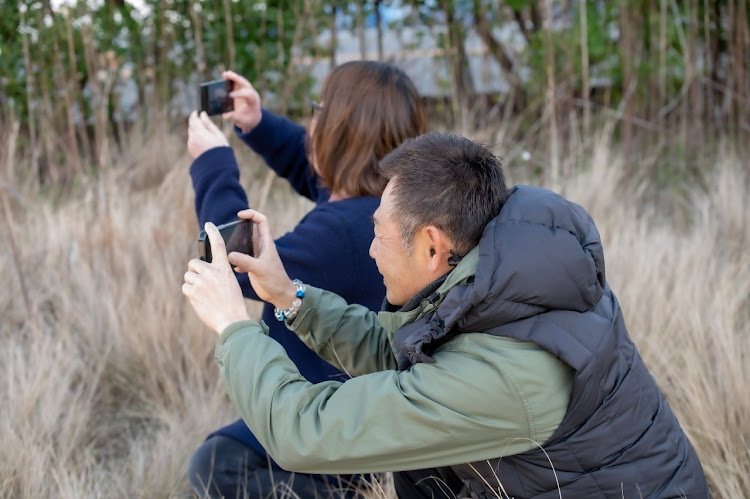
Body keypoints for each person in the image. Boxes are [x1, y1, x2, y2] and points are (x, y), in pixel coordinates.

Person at [182, 132, 710, 498]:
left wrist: (234, 327)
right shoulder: (503, 276)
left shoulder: (506, 373)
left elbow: (302, 433)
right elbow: (396, 349)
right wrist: (287, 296)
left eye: (379, 236)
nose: (370, 251)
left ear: (433, 247)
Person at [185, 61, 427, 498]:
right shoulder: (383, 210)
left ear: (336, 130)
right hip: (362, 411)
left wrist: (213, 164)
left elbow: (236, 261)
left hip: (329, 424)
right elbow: (316, 172)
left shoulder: (338, 235)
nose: (310, 120)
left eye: (318, 109)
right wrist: (258, 125)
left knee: (216, 466)